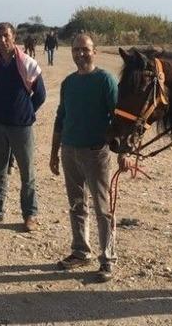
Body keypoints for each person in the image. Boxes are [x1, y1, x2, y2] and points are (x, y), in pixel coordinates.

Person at [49, 33, 118, 282]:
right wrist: (54, 152)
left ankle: (108, 258)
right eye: (76, 49)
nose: (80, 53)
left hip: (95, 152)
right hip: (69, 150)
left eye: (85, 49)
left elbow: (118, 118)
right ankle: (80, 251)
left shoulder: (105, 80)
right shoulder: (68, 83)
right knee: (77, 204)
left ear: (94, 51)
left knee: (102, 208)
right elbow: (60, 118)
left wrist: (123, 153)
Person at [0, 22, 46, 232]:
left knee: (27, 172)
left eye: (6, 35)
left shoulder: (28, 64)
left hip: (21, 127)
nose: (2, 40)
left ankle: (30, 214)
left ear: (14, 36)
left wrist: (25, 113)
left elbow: (40, 95)